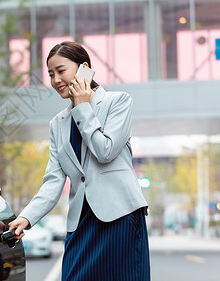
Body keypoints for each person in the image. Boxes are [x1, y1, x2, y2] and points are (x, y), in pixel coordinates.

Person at [9, 41, 150, 280]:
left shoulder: (118, 102)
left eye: (61, 71)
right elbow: (53, 180)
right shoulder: (58, 124)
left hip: (119, 217)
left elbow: (105, 151)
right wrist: (26, 216)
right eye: (51, 74)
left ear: (84, 68)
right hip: (81, 221)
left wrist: (82, 107)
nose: (55, 80)